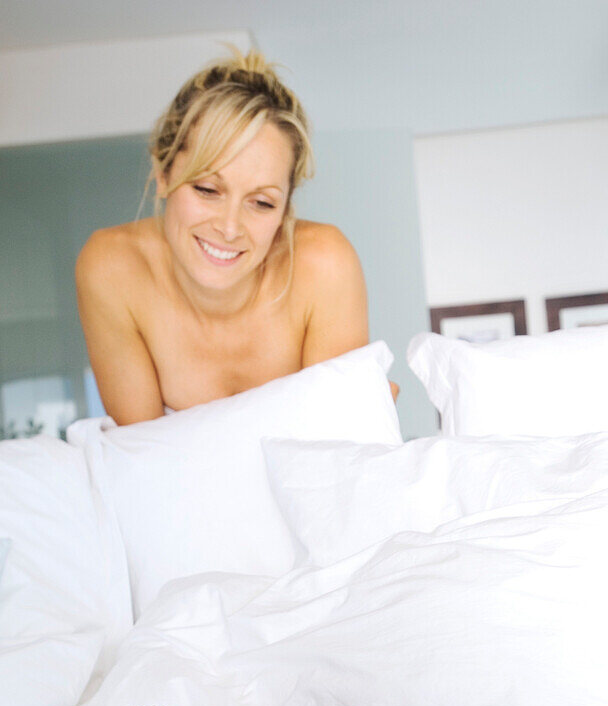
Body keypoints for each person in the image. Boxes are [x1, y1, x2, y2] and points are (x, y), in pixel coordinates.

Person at [76, 48, 396, 426]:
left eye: (261, 202)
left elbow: (334, 454)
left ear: (286, 208)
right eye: (208, 190)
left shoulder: (324, 265)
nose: (229, 229)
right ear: (163, 175)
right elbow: (146, 462)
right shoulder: (113, 268)